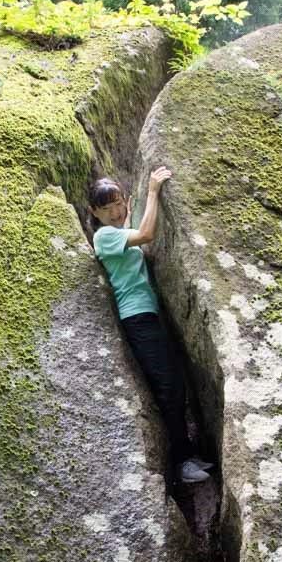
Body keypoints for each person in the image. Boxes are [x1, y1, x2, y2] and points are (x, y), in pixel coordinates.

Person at [89, 168, 214, 485]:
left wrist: (130, 215)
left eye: (118, 204)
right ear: (94, 212)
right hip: (138, 318)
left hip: (149, 314)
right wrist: (154, 191)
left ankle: (187, 454)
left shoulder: (118, 232)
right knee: (168, 388)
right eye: (106, 209)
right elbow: (146, 235)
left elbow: (134, 236)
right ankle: (181, 465)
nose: (115, 212)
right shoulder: (104, 236)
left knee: (175, 384)